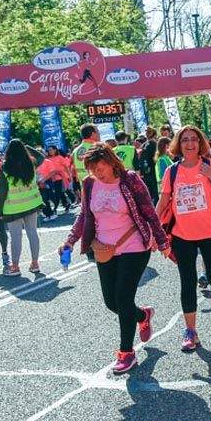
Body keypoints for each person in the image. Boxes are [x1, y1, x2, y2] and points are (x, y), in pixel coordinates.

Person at [61, 143, 171, 374]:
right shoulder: (90, 184)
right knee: (112, 302)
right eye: (92, 168)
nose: (97, 172)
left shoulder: (130, 180)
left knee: (122, 297)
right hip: (104, 249)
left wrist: (162, 241)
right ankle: (143, 314)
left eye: (100, 166)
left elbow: (149, 211)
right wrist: (69, 241)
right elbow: (84, 215)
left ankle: (126, 353)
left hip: (134, 246)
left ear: (111, 162)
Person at [155, 125, 211, 352]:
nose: (189, 144)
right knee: (187, 281)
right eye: (185, 140)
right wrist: (152, 229)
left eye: (194, 139)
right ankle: (191, 331)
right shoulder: (171, 172)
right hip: (183, 235)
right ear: (178, 145)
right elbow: (163, 203)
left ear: (200, 143)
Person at [0, 139, 45, 276]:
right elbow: (42, 157)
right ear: (24, 150)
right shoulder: (31, 163)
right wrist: (27, 146)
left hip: (13, 209)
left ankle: (15, 267)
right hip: (32, 204)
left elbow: (2, 192)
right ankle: (35, 264)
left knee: (15, 237)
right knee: (32, 233)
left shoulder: (5, 168)